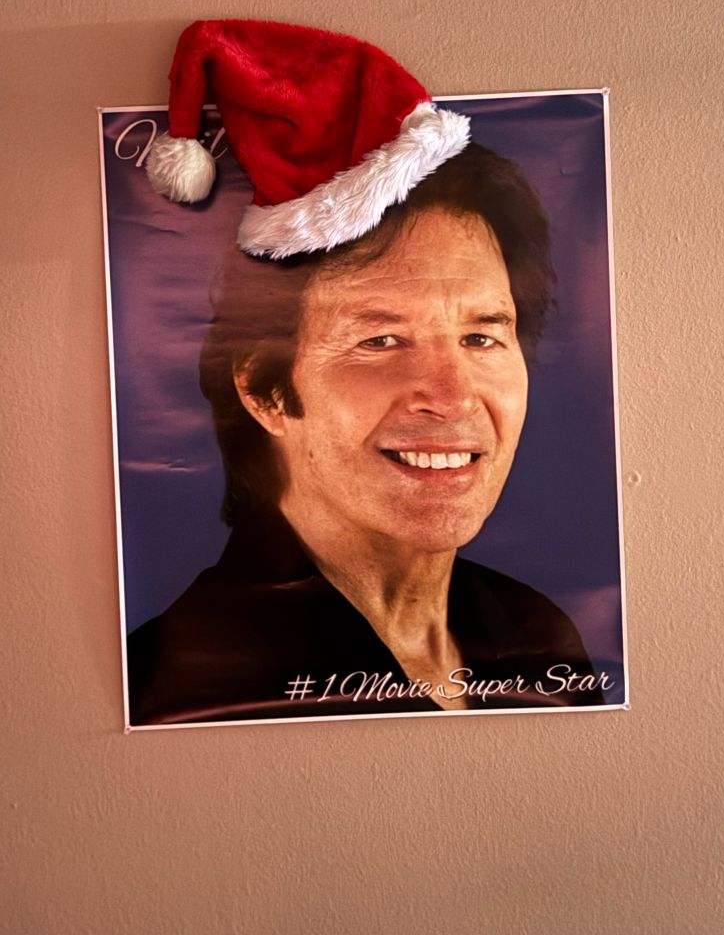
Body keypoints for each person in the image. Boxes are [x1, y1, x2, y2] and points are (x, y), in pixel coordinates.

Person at [127, 142, 604, 724]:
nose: (453, 397)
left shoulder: (542, 638)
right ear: (263, 391)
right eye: (380, 341)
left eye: (481, 338)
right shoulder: (183, 689)